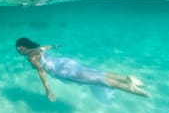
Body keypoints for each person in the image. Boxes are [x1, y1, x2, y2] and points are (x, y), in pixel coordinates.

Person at [15, 38, 148, 102]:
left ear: (22, 47)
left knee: (97, 80)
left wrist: (47, 88)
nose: (17, 50)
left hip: (62, 70)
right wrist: (56, 45)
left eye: (18, 48)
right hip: (66, 63)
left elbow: (41, 71)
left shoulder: (30, 56)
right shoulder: (38, 49)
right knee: (96, 73)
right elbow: (48, 46)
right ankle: (125, 78)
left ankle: (130, 88)